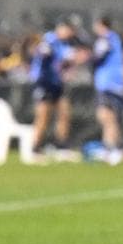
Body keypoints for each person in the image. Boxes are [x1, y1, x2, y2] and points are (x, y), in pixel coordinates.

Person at [29, 19, 76, 153]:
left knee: (64, 113)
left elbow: (65, 63)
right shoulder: (49, 40)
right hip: (44, 83)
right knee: (43, 116)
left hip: (57, 83)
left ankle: (61, 145)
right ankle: (35, 147)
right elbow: (43, 55)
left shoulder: (65, 44)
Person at [92, 15, 123, 166]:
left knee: (105, 116)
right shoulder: (115, 39)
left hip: (108, 83)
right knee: (109, 117)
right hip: (115, 83)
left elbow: (97, 58)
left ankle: (112, 148)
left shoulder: (106, 40)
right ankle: (113, 147)